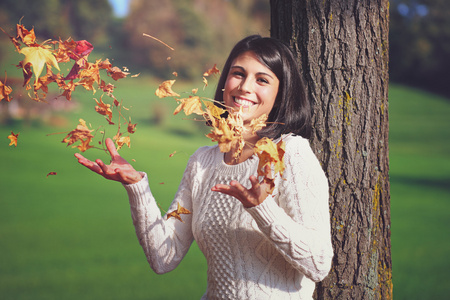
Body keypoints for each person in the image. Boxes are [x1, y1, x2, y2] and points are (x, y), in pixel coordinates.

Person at [75, 35, 333, 299]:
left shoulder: (291, 154)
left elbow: (319, 264)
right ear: (225, 83)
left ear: (280, 95)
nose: (245, 87)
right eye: (238, 74)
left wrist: (261, 208)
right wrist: (136, 186)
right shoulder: (202, 163)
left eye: (262, 79)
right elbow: (164, 256)